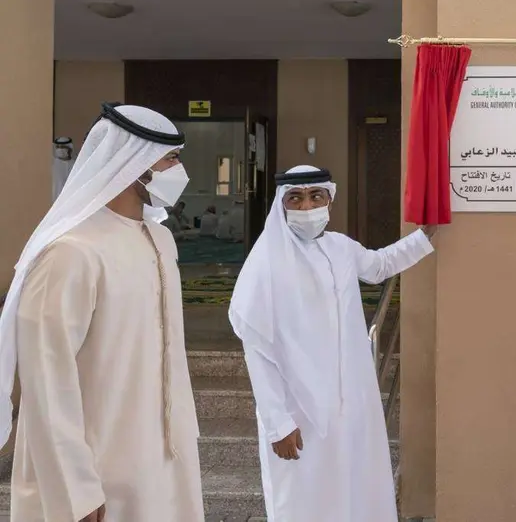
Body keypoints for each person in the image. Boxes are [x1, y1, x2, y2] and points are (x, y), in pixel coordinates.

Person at [0, 103, 205, 521]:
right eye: (170, 158)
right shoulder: (70, 253)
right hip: (96, 474)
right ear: (136, 163)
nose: (178, 170)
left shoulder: (162, 241)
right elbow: (47, 382)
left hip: (163, 464)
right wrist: (76, 487)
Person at [229, 165, 435, 522]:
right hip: (299, 410)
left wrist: (425, 236)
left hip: (351, 402)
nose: (307, 206)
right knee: (304, 499)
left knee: (356, 491)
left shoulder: (340, 247)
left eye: (316, 196)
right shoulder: (266, 261)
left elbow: (379, 265)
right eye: (296, 198)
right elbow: (257, 350)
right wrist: (278, 422)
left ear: (329, 201)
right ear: (281, 205)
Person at [52, 136, 75, 201]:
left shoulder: (74, 164)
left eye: (63, 147)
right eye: (58, 147)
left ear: (70, 148)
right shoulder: (52, 163)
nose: (60, 149)